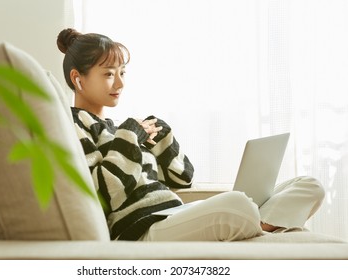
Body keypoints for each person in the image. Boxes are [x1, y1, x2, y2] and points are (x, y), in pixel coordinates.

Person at [56, 28, 325, 241]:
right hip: (142, 229)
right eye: (108, 74)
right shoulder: (73, 124)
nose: (120, 83)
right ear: (79, 79)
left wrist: (164, 140)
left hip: (174, 213)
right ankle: (262, 224)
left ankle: (258, 226)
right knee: (237, 203)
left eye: (122, 72)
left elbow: (183, 179)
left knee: (309, 185)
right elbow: (103, 195)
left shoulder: (121, 128)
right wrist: (129, 134)